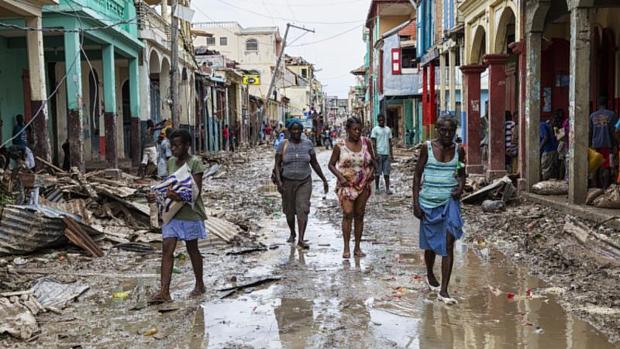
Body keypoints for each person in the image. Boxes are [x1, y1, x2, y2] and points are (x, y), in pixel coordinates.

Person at [148, 129, 207, 303]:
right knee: (167, 248)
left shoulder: (195, 163)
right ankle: (164, 291)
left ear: (187, 145)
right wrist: (156, 194)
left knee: (192, 249)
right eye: (172, 145)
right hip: (172, 212)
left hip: (190, 213)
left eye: (177, 145)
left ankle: (199, 284)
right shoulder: (171, 162)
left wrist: (177, 195)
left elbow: (195, 192)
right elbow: (169, 185)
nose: (173, 149)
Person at [412, 116, 466, 305]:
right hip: (428, 203)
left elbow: (461, 174)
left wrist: (460, 187)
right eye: (443, 130)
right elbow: (417, 174)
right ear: (437, 130)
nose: (447, 134)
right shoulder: (427, 148)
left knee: (448, 243)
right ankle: (429, 273)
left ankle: (444, 290)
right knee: (430, 245)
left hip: (449, 203)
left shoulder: (459, 150)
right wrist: (415, 203)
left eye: (451, 131)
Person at [274, 119, 329, 250]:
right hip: (287, 182)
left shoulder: (308, 144)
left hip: (304, 181)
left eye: (299, 129)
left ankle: (301, 239)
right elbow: (276, 165)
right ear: (289, 131)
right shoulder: (283, 145)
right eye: (293, 129)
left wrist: (324, 179)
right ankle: (292, 232)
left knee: (302, 209)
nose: (296, 132)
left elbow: (314, 163)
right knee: (289, 212)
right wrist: (279, 182)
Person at [328, 117, 375, 259]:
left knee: (359, 215)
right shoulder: (339, 145)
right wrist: (340, 177)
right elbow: (331, 164)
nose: (357, 132)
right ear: (348, 130)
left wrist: (371, 174)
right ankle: (346, 247)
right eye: (354, 129)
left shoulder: (366, 143)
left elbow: (373, 161)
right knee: (348, 213)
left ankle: (357, 247)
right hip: (346, 185)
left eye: (359, 130)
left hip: (362, 184)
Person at [591, 97, 617, 188]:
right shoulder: (611, 114)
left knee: (595, 165)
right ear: (607, 104)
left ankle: (595, 186)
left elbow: (590, 131)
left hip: (595, 144)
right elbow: (614, 131)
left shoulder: (592, 115)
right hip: (607, 144)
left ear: (598, 104)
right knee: (606, 166)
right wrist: (615, 145)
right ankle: (605, 187)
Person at [371, 114, 393, 194]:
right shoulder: (375, 130)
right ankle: (377, 188)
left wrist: (391, 154)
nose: (381, 121)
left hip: (386, 154)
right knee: (377, 173)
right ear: (378, 120)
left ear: (384, 120)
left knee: (387, 173)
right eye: (380, 120)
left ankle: (387, 188)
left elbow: (390, 142)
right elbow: (373, 143)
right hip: (379, 154)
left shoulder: (388, 130)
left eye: (382, 120)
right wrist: (375, 154)